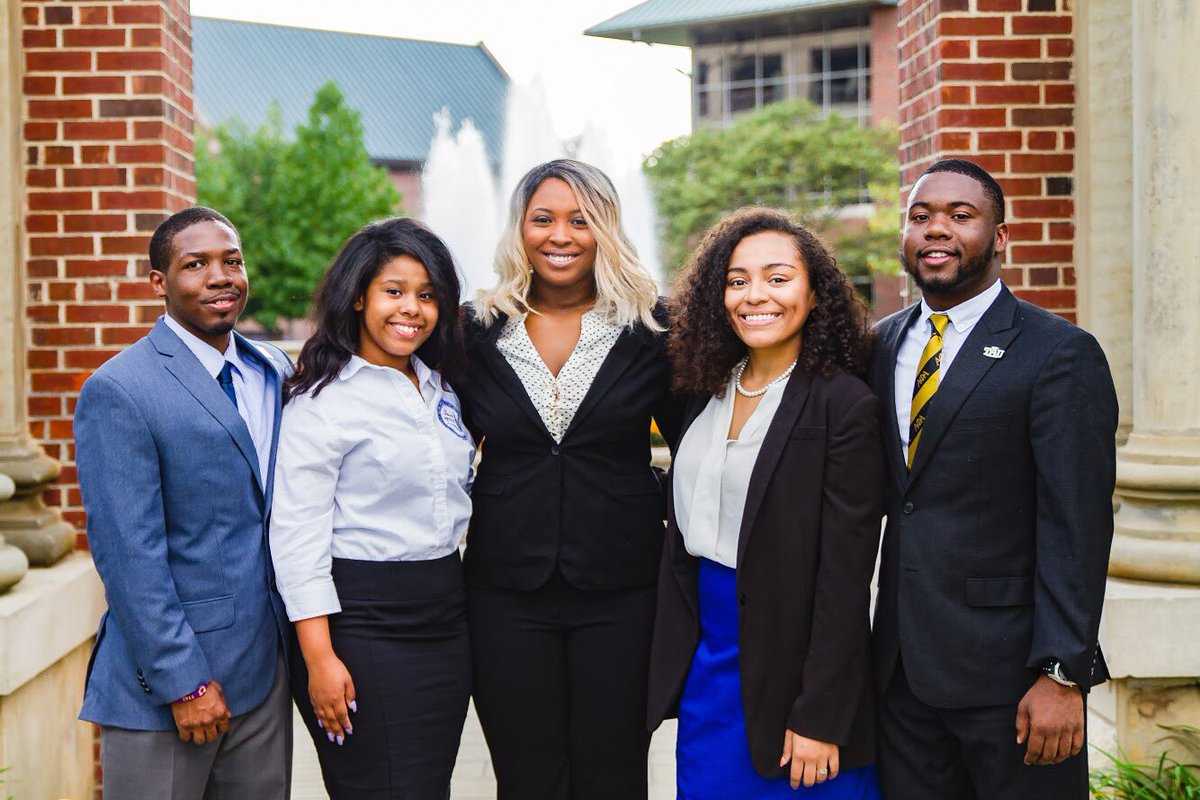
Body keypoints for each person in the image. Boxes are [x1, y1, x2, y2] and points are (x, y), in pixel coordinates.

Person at [868, 158, 1118, 800]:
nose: (935, 231)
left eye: (959, 215)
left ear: (1000, 236)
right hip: (902, 676)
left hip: (1015, 679)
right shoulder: (878, 346)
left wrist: (1064, 673)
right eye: (920, 217)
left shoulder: (1059, 353)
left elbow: (1078, 524)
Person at [458, 159, 681, 800]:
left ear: (605, 229)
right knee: (527, 779)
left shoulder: (652, 329)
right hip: (505, 594)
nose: (561, 234)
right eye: (544, 218)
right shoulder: (475, 331)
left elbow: (697, 445)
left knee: (612, 777)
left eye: (581, 220)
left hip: (623, 593)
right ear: (519, 229)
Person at [647, 207, 884, 799]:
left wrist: (821, 715)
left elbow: (845, 578)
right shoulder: (700, 393)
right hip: (710, 667)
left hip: (797, 669)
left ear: (815, 292)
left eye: (778, 278)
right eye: (737, 280)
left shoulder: (843, 406)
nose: (756, 296)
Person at [74, 206, 293, 798]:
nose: (220, 276)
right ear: (158, 282)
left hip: (265, 678)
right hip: (169, 688)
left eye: (232, 261)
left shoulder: (272, 370)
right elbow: (128, 555)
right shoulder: (120, 389)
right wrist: (184, 682)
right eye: (196, 264)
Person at [269, 217, 473, 799]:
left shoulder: (440, 388)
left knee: (427, 787)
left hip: (445, 618)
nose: (412, 308)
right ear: (358, 297)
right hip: (362, 623)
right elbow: (297, 539)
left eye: (427, 295)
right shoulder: (321, 403)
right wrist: (319, 658)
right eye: (394, 291)